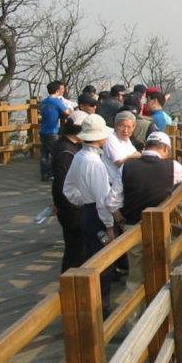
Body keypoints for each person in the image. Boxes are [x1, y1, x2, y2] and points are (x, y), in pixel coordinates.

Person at [108, 131, 182, 306]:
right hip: (160, 227)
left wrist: (120, 219)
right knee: (161, 268)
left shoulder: (126, 167)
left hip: (133, 227)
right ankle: (161, 310)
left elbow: (111, 201)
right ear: (165, 149)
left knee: (135, 276)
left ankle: (134, 319)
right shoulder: (171, 166)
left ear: (145, 147)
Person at [62, 114, 118, 316]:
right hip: (97, 215)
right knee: (103, 262)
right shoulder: (95, 163)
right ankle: (101, 309)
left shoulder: (79, 156)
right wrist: (109, 225)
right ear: (100, 137)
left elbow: (68, 189)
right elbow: (103, 200)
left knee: (90, 257)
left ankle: (93, 304)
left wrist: (83, 200)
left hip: (86, 211)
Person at [51, 110, 88, 271]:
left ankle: (71, 276)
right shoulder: (67, 151)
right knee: (75, 246)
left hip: (66, 203)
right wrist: (72, 203)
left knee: (75, 244)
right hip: (71, 206)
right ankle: (70, 277)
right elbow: (63, 183)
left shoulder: (62, 144)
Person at [39, 80, 71, 181]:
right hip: (52, 131)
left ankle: (45, 174)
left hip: (43, 131)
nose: (63, 91)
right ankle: (55, 174)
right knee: (57, 153)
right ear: (57, 90)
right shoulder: (56, 101)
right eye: (62, 89)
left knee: (44, 154)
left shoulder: (44, 101)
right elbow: (67, 112)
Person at [102, 111, 140, 183]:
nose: (125, 130)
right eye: (122, 126)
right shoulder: (110, 138)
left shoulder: (126, 139)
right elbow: (120, 163)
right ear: (115, 126)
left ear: (133, 127)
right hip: (111, 184)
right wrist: (135, 156)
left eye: (129, 127)